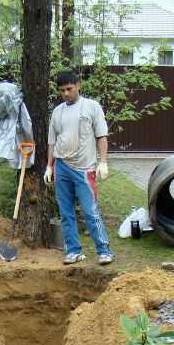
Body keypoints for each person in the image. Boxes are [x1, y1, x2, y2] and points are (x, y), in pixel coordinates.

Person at [44, 69, 113, 266]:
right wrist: (49, 167)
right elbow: (52, 142)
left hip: (84, 168)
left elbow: (101, 136)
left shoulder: (91, 107)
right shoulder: (57, 112)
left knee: (89, 211)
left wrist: (103, 162)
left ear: (78, 86)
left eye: (69, 89)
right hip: (61, 167)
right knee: (65, 212)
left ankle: (104, 250)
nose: (66, 93)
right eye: (62, 90)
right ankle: (73, 251)